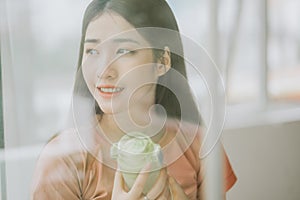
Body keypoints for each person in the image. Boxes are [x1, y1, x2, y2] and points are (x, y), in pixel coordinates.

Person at [31, 0, 237, 199]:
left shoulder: (201, 145)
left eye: (124, 51)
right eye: (92, 51)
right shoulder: (63, 159)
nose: (104, 71)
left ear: (162, 62)